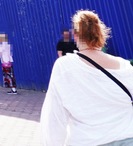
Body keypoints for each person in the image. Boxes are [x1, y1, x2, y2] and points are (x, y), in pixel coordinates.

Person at [41, 10, 133, 145]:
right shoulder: (125, 67)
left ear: (75, 35)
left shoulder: (65, 66)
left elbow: (55, 118)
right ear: (101, 34)